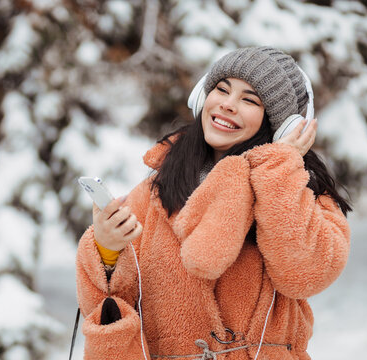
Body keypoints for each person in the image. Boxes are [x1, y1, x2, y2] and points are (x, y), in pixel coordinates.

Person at [75, 46, 351, 360]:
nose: (227, 105)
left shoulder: (303, 191)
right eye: (221, 89)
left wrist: (277, 166)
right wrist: (107, 247)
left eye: (249, 100)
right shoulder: (156, 192)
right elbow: (110, 307)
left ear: (282, 125)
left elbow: (304, 273)